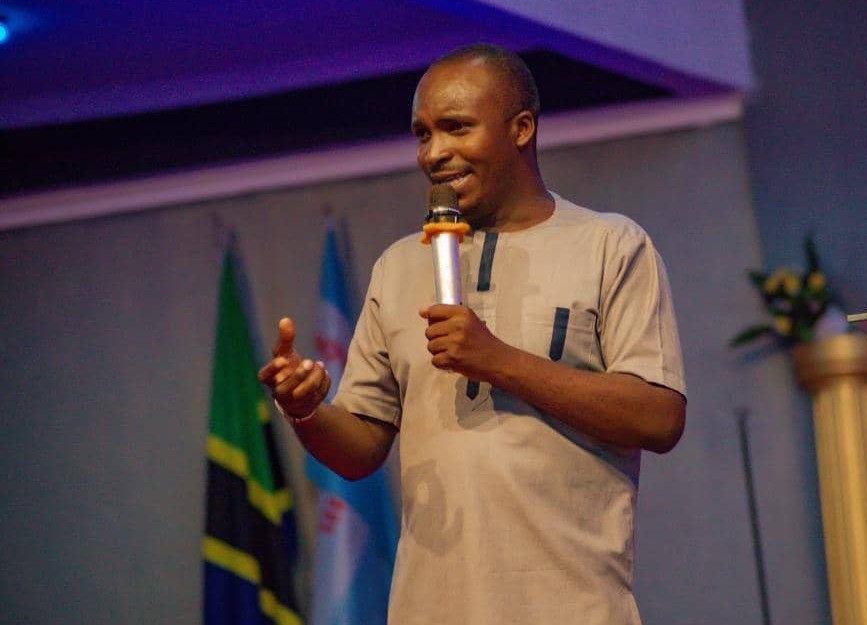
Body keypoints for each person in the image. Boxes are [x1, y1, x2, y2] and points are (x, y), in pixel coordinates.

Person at [258, 43, 686, 624]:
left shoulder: (610, 246)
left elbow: (659, 417)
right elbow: (360, 449)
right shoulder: (398, 267)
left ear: (521, 128)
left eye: (456, 127)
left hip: (573, 608)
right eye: (423, 134)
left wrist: (498, 360)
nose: (434, 152)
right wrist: (306, 411)